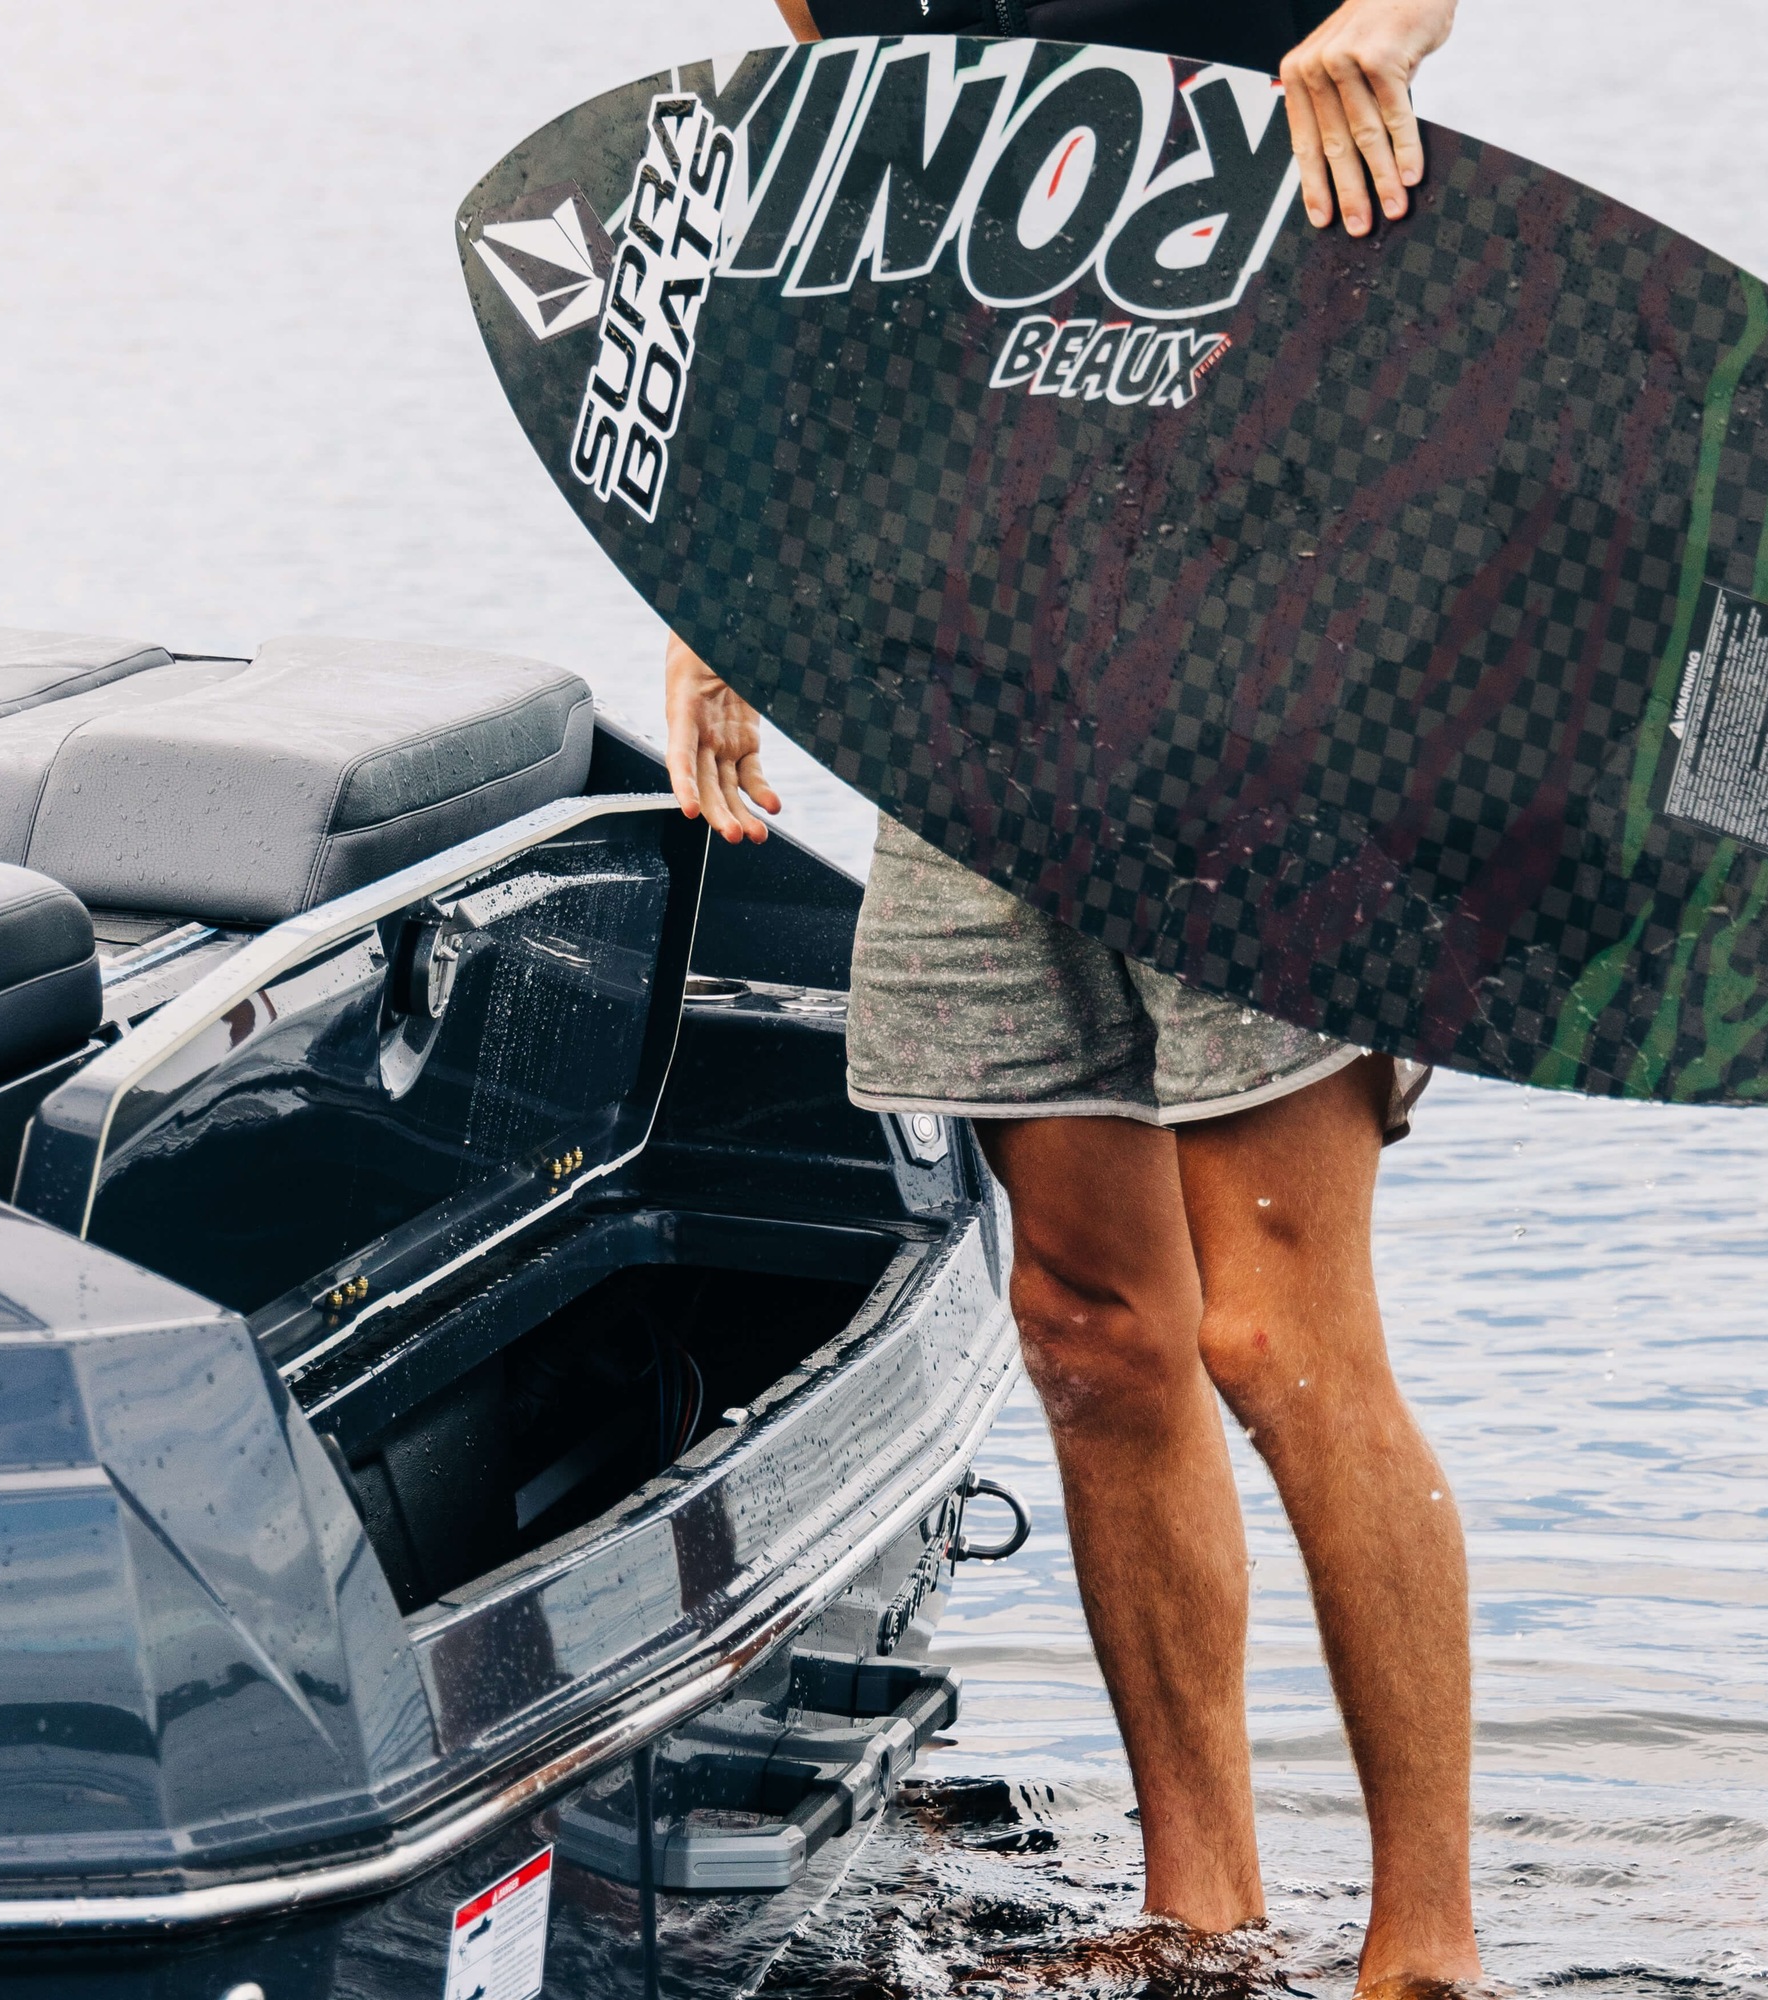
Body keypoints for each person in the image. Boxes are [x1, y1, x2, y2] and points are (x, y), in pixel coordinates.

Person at [668, 4, 1476, 1991]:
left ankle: (1428, 1949)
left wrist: (1381, 20)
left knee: (1286, 1333)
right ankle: (1199, 1914)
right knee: (1093, 1327)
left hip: (1271, 639)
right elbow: (824, 190)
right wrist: (715, 595)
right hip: (974, 659)